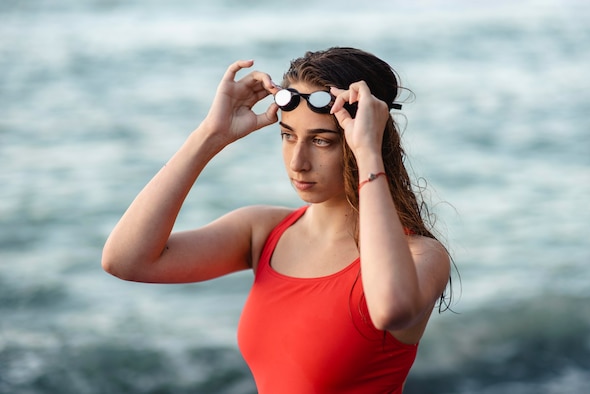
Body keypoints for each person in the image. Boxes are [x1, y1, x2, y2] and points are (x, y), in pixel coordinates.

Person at [102, 46, 453, 393]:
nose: (297, 161)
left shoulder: (421, 256)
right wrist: (210, 135)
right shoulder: (263, 232)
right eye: (288, 136)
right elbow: (126, 261)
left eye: (321, 140)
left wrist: (369, 155)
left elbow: (390, 311)